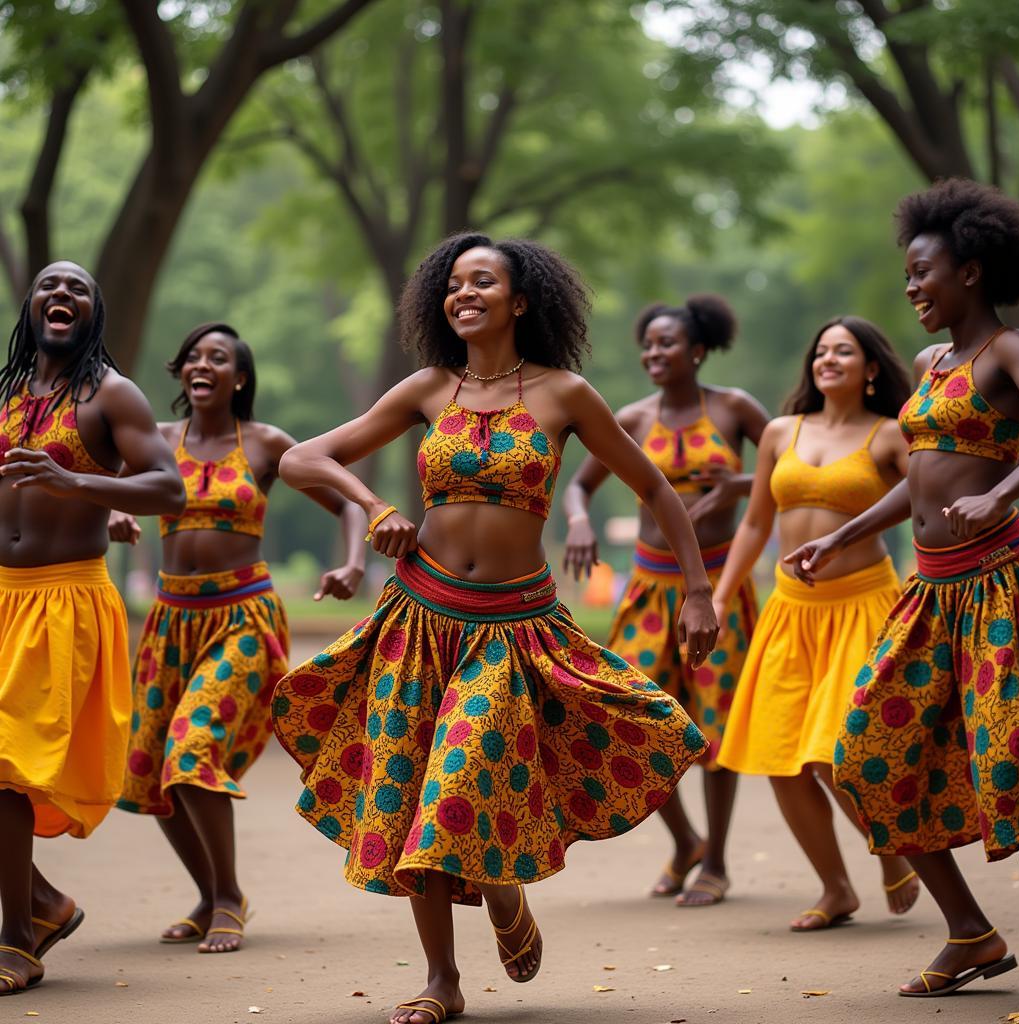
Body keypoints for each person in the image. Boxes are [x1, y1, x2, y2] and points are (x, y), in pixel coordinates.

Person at [271, 233, 717, 1024]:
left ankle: (503, 886)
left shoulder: (564, 394)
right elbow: (303, 460)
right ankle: (441, 979)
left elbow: (653, 486)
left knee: (454, 783)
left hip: (515, 628)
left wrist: (698, 593)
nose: (463, 292)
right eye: (452, 283)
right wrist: (373, 508)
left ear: (520, 301)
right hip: (422, 617)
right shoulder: (426, 389)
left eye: (484, 281)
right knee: (416, 792)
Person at [788, 179, 1019, 996]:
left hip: (999, 588)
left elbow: (990, 471)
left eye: (925, 273)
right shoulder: (931, 365)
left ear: (974, 270)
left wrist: (1002, 491)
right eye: (908, 276)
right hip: (929, 594)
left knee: (1009, 768)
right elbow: (918, 478)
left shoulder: (1008, 353)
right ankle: (971, 935)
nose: (913, 289)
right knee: (868, 757)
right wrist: (843, 533)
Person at [109, 322, 366, 954]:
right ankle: (209, 893)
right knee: (148, 769)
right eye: (193, 355)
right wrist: (114, 508)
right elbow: (110, 488)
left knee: (192, 750)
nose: (202, 364)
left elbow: (350, 501)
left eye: (217, 357)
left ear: (239, 377)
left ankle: (227, 899)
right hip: (171, 619)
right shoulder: (156, 442)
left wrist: (353, 562)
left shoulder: (265, 443)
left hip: (242, 617)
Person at [0, 261, 185, 995]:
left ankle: (16, 938)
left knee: (7, 766)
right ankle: (44, 902)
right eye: (51, 285)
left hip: (64, 601)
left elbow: (167, 486)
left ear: (93, 314)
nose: (63, 296)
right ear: (31, 304)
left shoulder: (112, 395)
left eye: (78, 289)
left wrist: (80, 482)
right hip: (2, 597)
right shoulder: (8, 392)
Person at [712, 316, 922, 931]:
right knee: (781, 757)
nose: (828, 359)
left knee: (837, 751)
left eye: (845, 351)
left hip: (863, 605)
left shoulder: (889, 435)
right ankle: (836, 890)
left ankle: (895, 851)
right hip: (788, 611)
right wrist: (722, 597)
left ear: (872, 368)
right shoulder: (781, 432)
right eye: (822, 350)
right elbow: (755, 525)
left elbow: (926, 496)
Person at [563, 297, 768, 906]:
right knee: (629, 718)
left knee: (715, 727)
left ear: (698, 349)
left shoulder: (734, 408)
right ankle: (685, 842)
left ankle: (718, 863)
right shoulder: (631, 416)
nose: (655, 354)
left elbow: (791, 471)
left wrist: (739, 482)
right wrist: (579, 519)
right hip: (651, 588)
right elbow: (579, 483)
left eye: (668, 343)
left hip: (719, 583)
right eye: (648, 345)